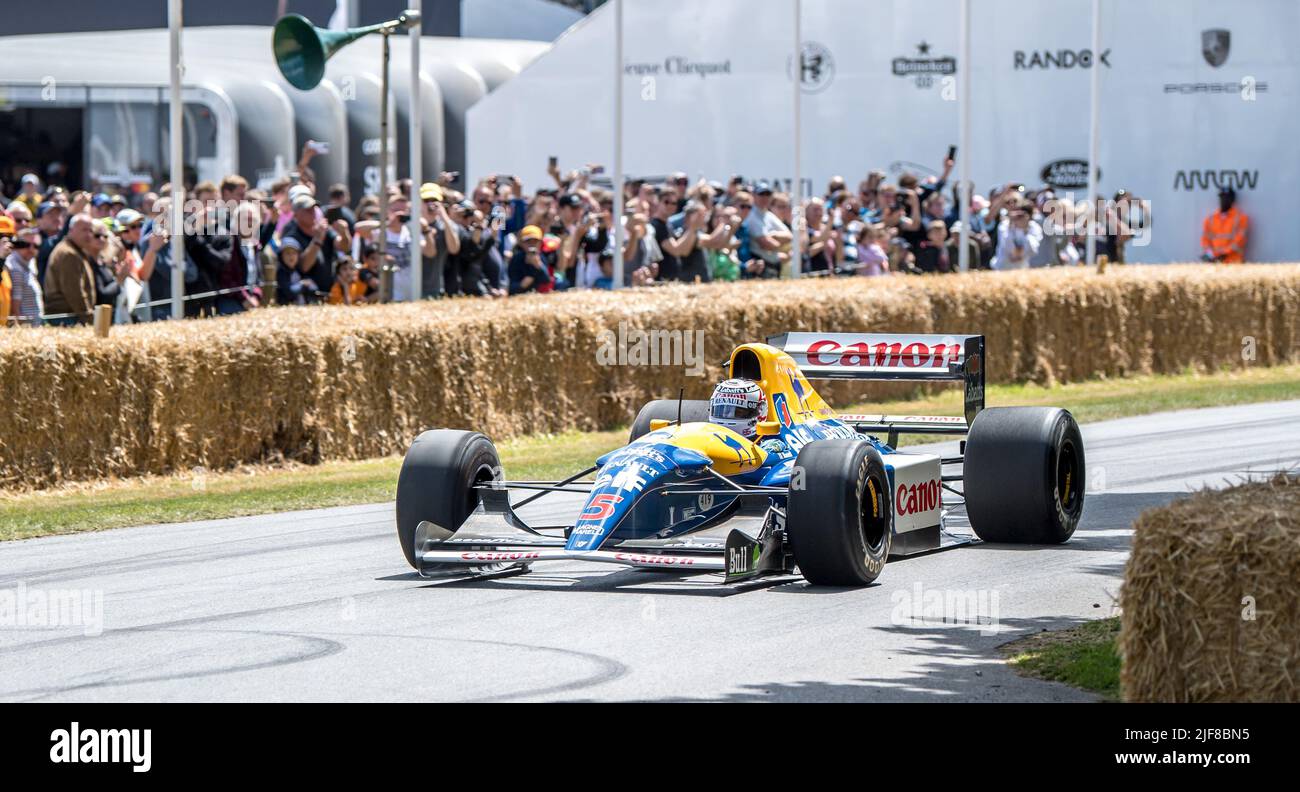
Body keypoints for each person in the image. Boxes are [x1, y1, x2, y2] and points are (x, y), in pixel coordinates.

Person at [43, 213, 103, 325]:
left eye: (90, 231)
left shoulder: (76, 251)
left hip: (71, 316)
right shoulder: (68, 254)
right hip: (67, 318)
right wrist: (88, 318)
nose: (88, 234)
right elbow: (74, 293)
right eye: (84, 230)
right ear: (71, 230)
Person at [708, 378, 787, 455]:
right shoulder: (704, 441)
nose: (728, 416)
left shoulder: (769, 448)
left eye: (738, 412)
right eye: (722, 410)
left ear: (761, 412)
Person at [5, 225, 43, 325]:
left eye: (35, 246)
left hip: (33, 326)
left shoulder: (29, 264)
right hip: (25, 328)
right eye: (26, 245)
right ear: (16, 245)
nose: (31, 249)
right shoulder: (15, 267)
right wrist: (19, 327)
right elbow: (15, 302)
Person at [1201, 187, 1248, 264]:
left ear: (1232, 199)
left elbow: (1240, 240)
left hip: (1233, 261)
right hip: (1215, 262)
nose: (1223, 200)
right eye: (1222, 197)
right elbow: (1205, 239)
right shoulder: (1210, 219)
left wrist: (1224, 254)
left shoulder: (1241, 218)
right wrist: (1209, 254)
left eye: (1227, 197)